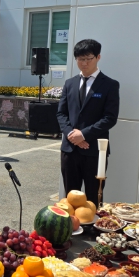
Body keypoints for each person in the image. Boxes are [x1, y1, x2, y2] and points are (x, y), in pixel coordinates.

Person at [56, 39, 120, 207]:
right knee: (70, 198)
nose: (84, 63)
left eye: (88, 59)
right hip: (70, 150)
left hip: (94, 151)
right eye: (80, 59)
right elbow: (61, 113)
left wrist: (83, 135)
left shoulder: (110, 85)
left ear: (98, 57)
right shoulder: (70, 83)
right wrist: (72, 135)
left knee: (93, 199)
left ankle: (94, 225)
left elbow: (110, 118)